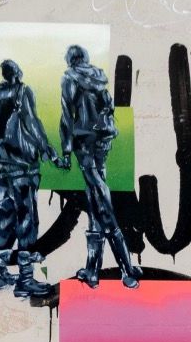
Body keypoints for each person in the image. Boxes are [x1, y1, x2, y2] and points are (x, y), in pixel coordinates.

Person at [0, 59, 68, 299]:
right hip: (23, 169)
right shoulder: (22, 91)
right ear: (17, 74)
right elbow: (33, 123)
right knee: (27, 223)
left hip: (1, 169)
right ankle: (25, 280)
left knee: (1, 220)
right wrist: (49, 151)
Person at [59, 45, 143, 289]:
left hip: (84, 143)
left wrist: (66, 151)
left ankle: (127, 270)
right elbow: (109, 106)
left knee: (101, 202)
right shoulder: (98, 77)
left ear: (70, 60)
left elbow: (67, 116)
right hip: (102, 143)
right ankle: (92, 271)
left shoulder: (69, 78)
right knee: (95, 199)